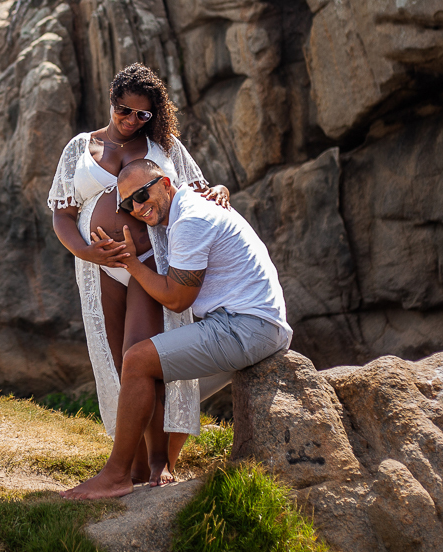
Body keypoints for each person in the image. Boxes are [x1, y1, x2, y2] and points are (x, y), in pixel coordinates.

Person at [61, 158, 293, 500]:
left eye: (142, 194)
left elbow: (177, 299)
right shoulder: (188, 208)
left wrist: (131, 264)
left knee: (137, 361)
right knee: (168, 385)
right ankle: (157, 467)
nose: (137, 208)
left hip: (246, 326)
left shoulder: (192, 219)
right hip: (253, 325)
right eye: (128, 204)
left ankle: (115, 476)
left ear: (166, 184)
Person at [48, 63, 231, 486]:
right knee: (117, 363)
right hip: (100, 269)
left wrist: (221, 191)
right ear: (111, 101)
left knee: (146, 357)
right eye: (124, 111)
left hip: (151, 263)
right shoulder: (79, 147)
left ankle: (160, 461)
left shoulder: (163, 145)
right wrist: (86, 251)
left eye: (143, 114)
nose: (132, 120)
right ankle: (130, 463)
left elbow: (195, 190)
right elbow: (62, 214)